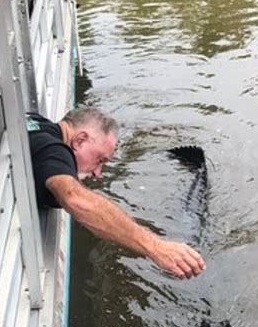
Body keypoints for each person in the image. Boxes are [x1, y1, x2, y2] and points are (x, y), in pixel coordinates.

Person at [26, 107, 206, 280]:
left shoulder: (35, 121)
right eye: (99, 159)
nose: (97, 173)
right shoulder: (54, 152)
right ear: (80, 140)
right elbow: (75, 198)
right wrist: (156, 247)